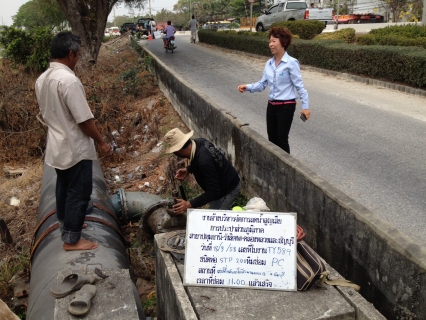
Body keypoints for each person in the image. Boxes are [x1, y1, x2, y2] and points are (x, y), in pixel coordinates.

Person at [35, 32, 111, 251]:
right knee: (79, 192)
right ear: (71, 53)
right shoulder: (68, 80)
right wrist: (101, 142)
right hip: (75, 147)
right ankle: (72, 240)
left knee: (63, 187)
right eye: (77, 55)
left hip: (57, 146)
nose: (77, 60)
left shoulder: (42, 79)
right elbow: (84, 120)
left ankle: (67, 225)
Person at [237, 26, 310, 154]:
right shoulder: (269, 63)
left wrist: (305, 106)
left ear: (284, 42)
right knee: (272, 141)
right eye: (270, 41)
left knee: (281, 140)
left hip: (286, 106)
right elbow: (262, 84)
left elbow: (299, 86)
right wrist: (247, 87)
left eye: (274, 41)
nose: (270, 44)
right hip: (272, 106)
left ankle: (286, 171)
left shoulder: (291, 63)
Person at [164, 128, 241, 215]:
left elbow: (214, 192)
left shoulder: (204, 161)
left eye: (173, 151)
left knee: (214, 220)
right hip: (225, 180)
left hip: (227, 189)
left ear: (178, 150)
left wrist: (189, 204)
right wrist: (189, 169)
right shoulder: (199, 142)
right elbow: (208, 162)